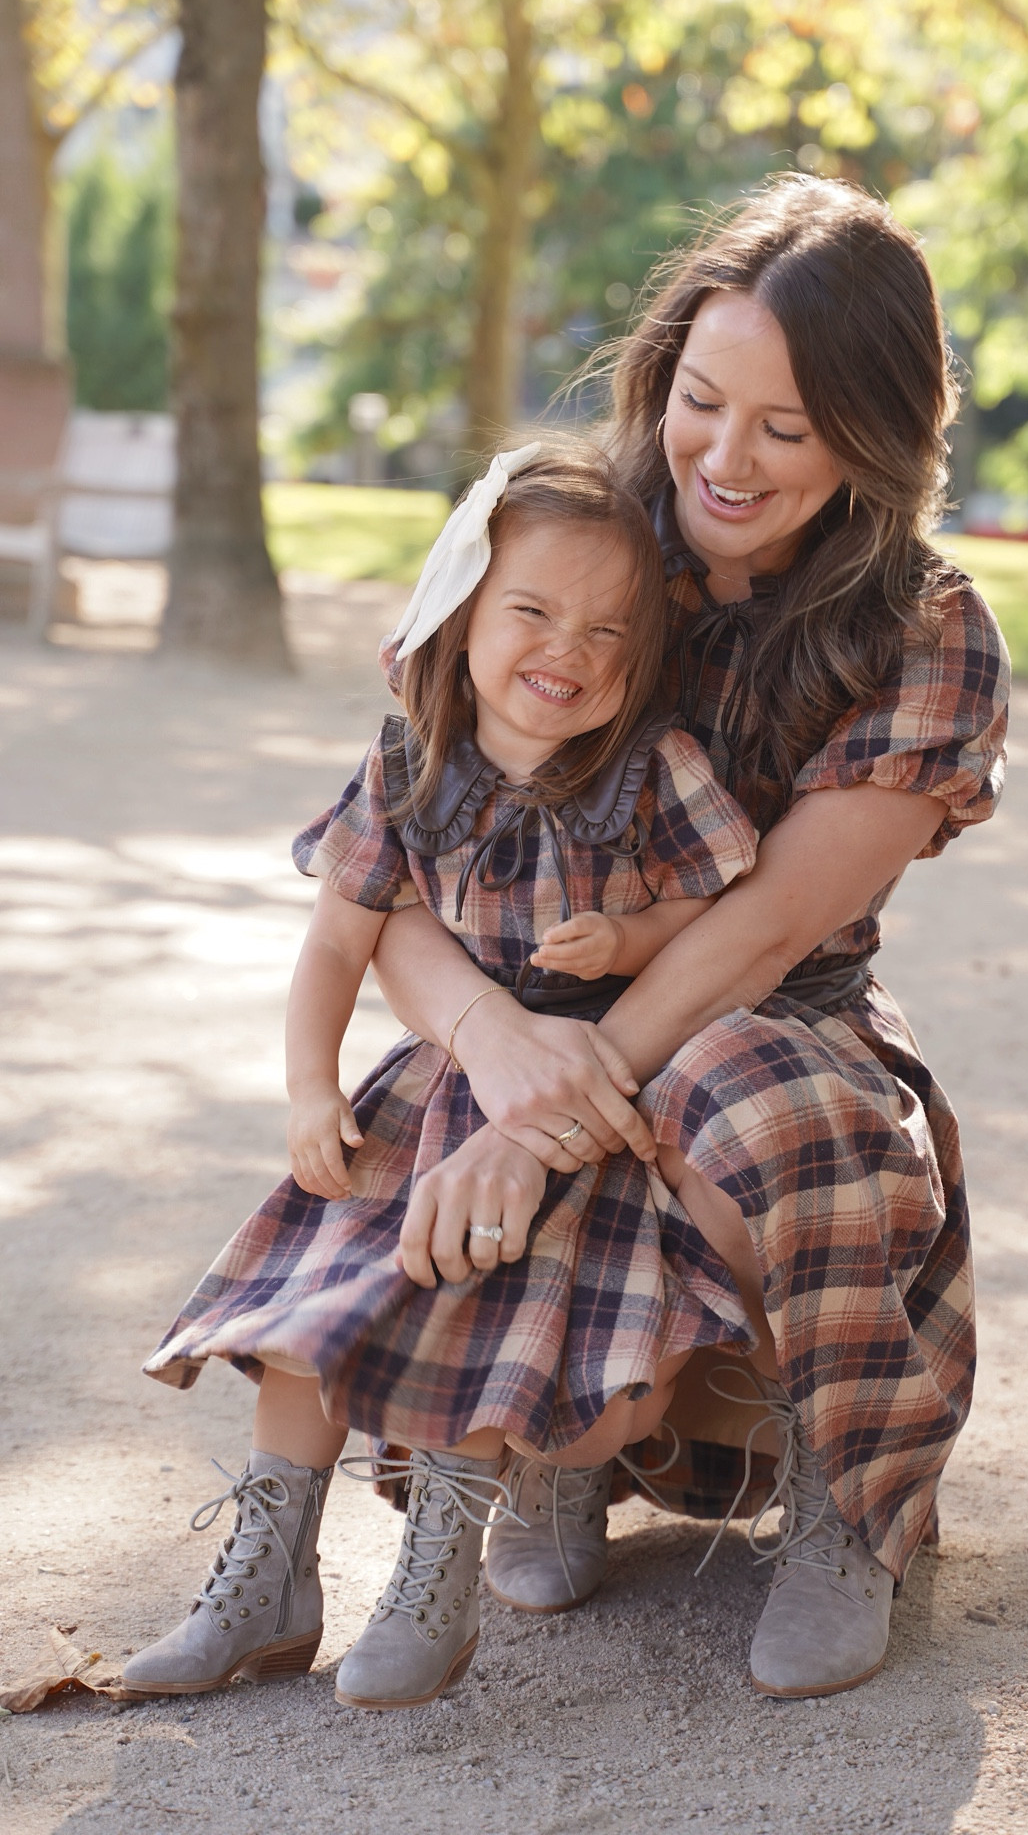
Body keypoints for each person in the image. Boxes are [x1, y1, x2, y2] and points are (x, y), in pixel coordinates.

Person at [366, 173, 1010, 1701]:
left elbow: (779, 912)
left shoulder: (923, 627)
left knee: (732, 1098)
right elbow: (385, 876)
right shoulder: (560, 546)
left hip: (784, 1013)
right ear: (661, 374)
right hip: (527, 997)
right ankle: (544, 1452)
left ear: (873, 435)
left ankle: (842, 1499)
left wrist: (553, 1112)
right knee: (413, 1110)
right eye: (701, 403)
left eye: (786, 430)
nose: (725, 458)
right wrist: (494, 1044)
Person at [123, 441, 759, 1710]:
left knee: (474, 1301)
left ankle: (435, 1564)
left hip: (583, 1100)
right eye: (530, 609)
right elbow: (336, 940)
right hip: (433, 1090)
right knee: (319, 1302)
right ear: (462, 612)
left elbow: (722, 910)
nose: (566, 647)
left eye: (606, 629)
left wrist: (630, 939)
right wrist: (311, 1090)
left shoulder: (657, 769)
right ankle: (268, 1572)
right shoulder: (409, 763)